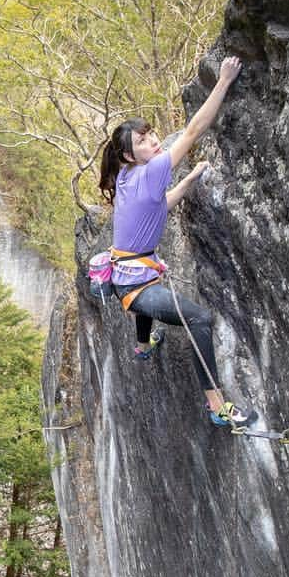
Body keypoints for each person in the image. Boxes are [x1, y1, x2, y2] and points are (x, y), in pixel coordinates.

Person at [96, 56, 257, 428]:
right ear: (127, 155)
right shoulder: (149, 172)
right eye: (143, 140)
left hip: (127, 272)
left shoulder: (127, 178)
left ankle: (142, 344)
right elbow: (193, 132)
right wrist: (223, 82)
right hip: (135, 284)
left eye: (152, 134)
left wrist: (188, 181)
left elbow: (157, 208)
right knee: (200, 319)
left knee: (148, 298)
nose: (153, 141)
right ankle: (218, 407)